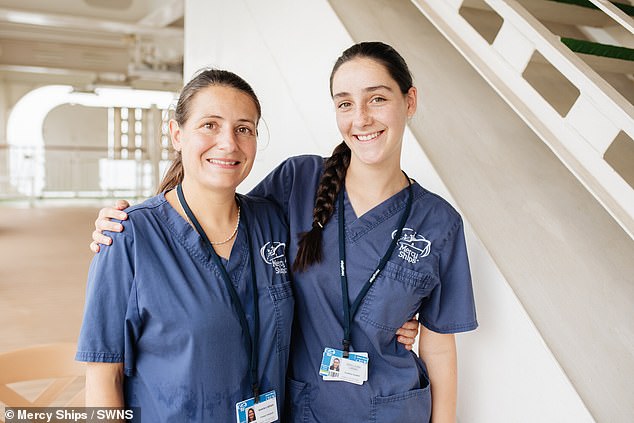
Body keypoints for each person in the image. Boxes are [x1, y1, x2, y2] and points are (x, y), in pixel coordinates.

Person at [91, 42, 477, 422]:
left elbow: (440, 342)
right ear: (177, 133)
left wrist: (397, 319)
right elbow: (213, 209)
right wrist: (140, 225)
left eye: (377, 99)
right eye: (344, 102)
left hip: (393, 407)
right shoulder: (298, 182)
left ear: (409, 101)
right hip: (304, 407)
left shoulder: (439, 222)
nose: (360, 117)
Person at [76, 69, 294, 422]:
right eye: (210, 125)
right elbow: (104, 374)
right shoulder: (128, 236)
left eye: (244, 128)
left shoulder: (272, 223)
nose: (228, 143)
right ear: (177, 134)